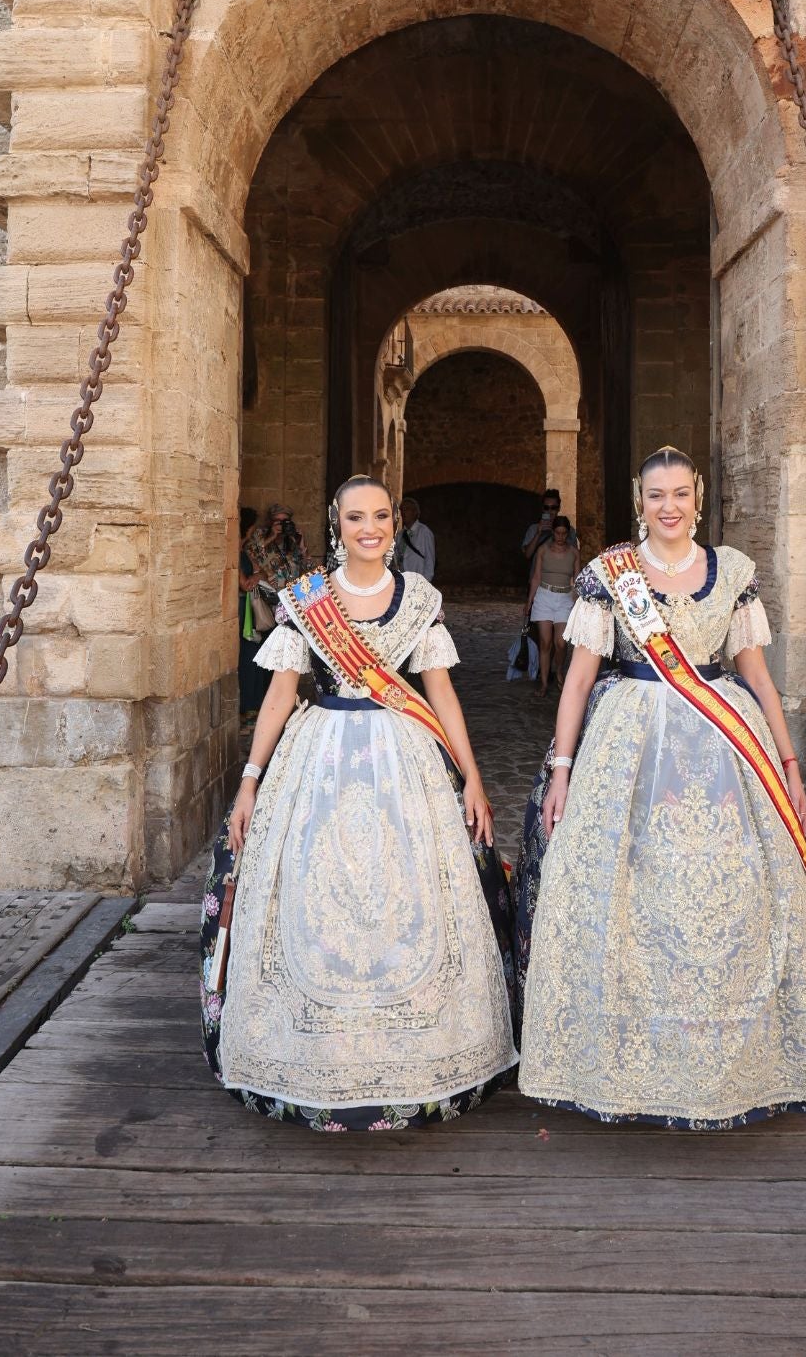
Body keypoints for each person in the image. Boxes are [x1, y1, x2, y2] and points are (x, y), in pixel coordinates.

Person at [514, 445, 806, 1127]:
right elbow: (577, 680)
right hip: (629, 744)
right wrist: (563, 769)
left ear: (697, 496)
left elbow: (755, 675)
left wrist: (787, 762)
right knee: (631, 893)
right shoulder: (611, 576)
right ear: (641, 501)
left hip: (724, 747)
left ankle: (732, 1054)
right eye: (656, 495)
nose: (669, 507)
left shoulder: (731, 575)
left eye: (680, 495)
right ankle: (629, 1051)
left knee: (728, 895)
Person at [200, 475, 517, 1131]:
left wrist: (474, 778)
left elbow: (441, 693)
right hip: (319, 758)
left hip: (403, 760)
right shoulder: (307, 600)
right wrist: (251, 780)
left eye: (380, 515)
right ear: (336, 522)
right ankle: (313, 1054)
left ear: (395, 522)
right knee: (320, 898)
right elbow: (283, 694)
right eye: (355, 517)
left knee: (403, 896)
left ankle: (416, 1056)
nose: (368, 527)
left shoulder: (420, 598)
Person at [524, 515, 579, 697]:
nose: (560, 537)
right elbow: (536, 577)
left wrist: (578, 601)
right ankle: (544, 683)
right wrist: (529, 602)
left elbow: (578, 580)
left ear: (568, 533)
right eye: (557, 533)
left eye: (564, 533)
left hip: (564, 597)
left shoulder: (574, 552)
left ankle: (560, 670)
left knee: (561, 643)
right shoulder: (543, 550)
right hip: (544, 596)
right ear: (553, 532)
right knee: (545, 642)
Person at [237, 506, 270, 719]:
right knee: (248, 657)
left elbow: (262, 571)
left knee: (256, 655)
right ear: (247, 529)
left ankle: (255, 704)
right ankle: (248, 706)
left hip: (251, 609)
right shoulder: (235, 552)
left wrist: (257, 576)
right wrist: (257, 576)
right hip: (243, 611)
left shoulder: (244, 551)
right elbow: (246, 584)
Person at [247, 503, 307, 596]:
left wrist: (302, 546)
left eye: (285, 521)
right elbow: (249, 553)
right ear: (271, 522)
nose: (282, 525)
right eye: (278, 522)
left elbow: (308, 569)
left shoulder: (292, 538)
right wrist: (271, 537)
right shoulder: (260, 534)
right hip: (270, 595)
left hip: (293, 595)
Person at [521, 488, 578, 569]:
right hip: (539, 577)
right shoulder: (534, 529)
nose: (550, 511)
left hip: (561, 576)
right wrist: (538, 534)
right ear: (542, 509)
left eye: (553, 507)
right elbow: (527, 555)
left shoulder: (569, 530)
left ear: (558, 508)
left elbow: (574, 557)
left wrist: (557, 533)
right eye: (546, 507)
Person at [396, 495, 436, 581]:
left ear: (415, 512)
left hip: (419, 582)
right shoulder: (400, 535)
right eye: (402, 510)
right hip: (404, 581)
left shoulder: (424, 532)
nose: (403, 512)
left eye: (407, 509)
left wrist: (425, 583)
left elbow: (430, 560)